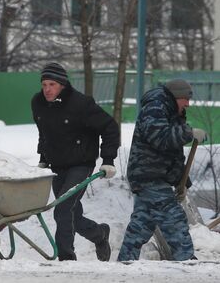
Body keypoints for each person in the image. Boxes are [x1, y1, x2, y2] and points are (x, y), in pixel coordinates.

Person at [31, 62, 120, 261]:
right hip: (57, 166)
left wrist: (108, 159)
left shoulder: (81, 104)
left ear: (62, 84)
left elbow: (109, 127)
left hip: (81, 164)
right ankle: (100, 234)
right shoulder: (38, 103)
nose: (46, 89)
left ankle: (66, 258)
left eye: (51, 84)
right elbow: (43, 133)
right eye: (44, 84)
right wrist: (43, 159)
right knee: (71, 215)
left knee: (63, 208)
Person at [117, 79, 207, 261]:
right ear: (175, 97)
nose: (187, 104)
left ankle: (126, 261)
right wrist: (188, 134)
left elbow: (172, 152)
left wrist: (181, 181)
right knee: (174, 219)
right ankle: (187, 260)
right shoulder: (155, 108)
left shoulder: (171, 110)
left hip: (155, 175)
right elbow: (159, 138)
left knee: (142, 224)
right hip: (149, 175)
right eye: (185, 99)